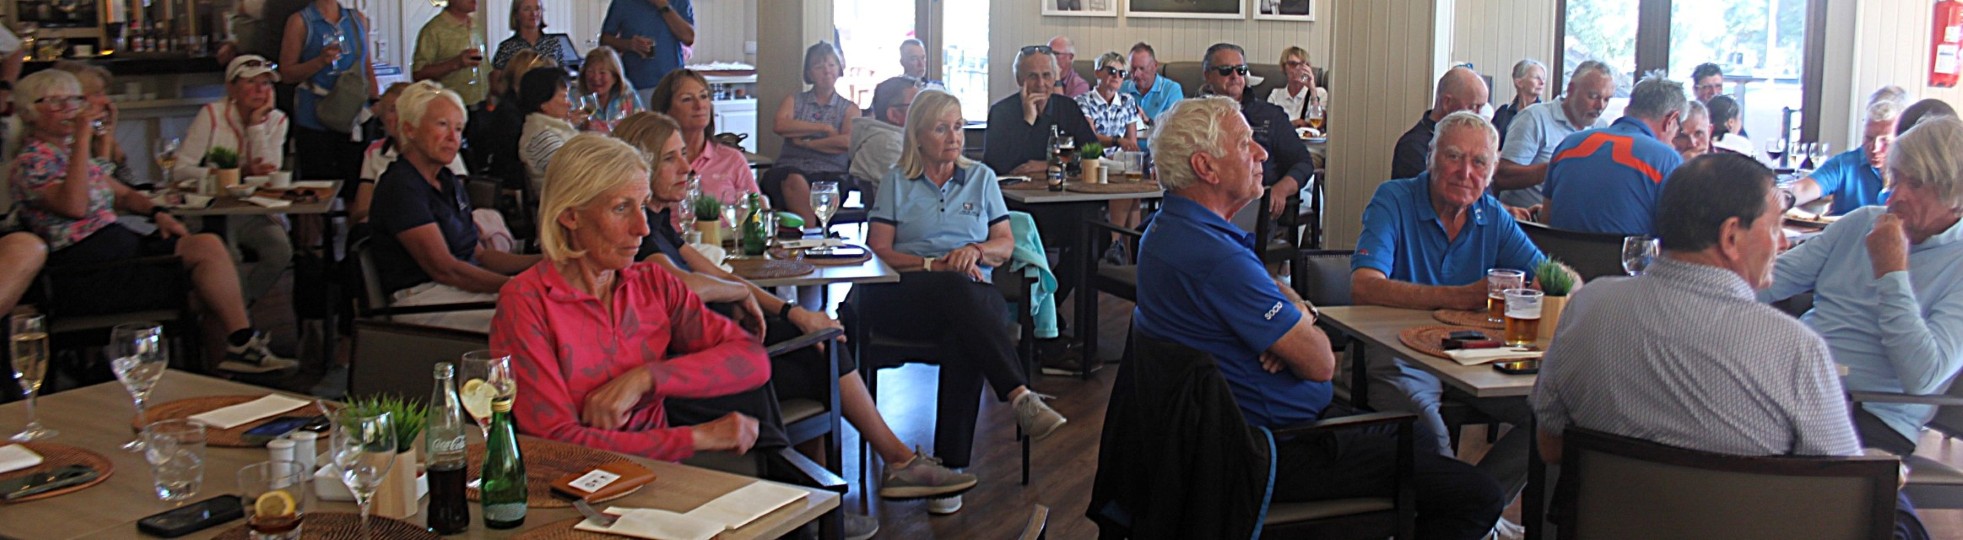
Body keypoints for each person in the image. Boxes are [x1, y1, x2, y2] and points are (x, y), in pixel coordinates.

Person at [1137, 96, 1504, 540]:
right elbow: (1320, 363)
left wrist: (1294, 318)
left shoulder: (1169, 231)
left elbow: (1271, 292)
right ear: (1206, 167)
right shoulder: (1216, 258)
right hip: (1265, 451)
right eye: (1245, 143)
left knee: (1422, 441)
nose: (1262, 153)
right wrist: (1297, 331)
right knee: (1478, 496)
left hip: (1220, 437)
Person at [1537, 153, 1931, 540]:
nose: (1782, 243)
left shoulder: (1587, 307)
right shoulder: (1794, 348)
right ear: (1731, 237)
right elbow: (1841, 492)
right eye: (1775, 228)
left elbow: (1551, 446)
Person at [615, 110, 978, 503]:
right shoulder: (640, 233)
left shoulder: (660, 223)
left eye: (684, 155)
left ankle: (836, 493)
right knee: (822, 359)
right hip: (695, 364)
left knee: (819, 338)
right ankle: (861, 480)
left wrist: (792, 311)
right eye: (671, 159)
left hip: (723, 345)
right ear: (641, 166)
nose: (687, 168)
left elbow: (722, 276)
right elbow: (680, 284)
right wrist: (741, 297)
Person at [489, 133, 764, 462]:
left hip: (660, 478)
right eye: (621, 208)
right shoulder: (527, 302)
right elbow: (554, 442)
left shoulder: (652, 284)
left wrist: (646, 378)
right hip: (573, 482)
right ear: (570, 215)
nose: (642, 228)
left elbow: (752, 359)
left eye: (643, 206)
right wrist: (696, 437)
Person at [8, 69, 294, 373]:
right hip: (86, 272)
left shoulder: (66, 154)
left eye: (73, 100)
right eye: (56, 102)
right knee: (210, 286)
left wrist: (157, 213)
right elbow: (75, 206)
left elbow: (123, 195)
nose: (69, 109)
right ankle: (225, 365)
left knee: (207, 247)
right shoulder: (32, 161)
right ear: (29, 113)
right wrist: (82, 138)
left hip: (121, 255)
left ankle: (239, 347)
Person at [863, 89, 1067, 512]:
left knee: (966, 327)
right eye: (941, 128)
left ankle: (948, 471)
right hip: (908, 294)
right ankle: (1019, 395)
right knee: (961, 291)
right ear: (918, 136)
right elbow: (878, 249)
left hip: (970, 295)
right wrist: (933, 264)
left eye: (957, 127)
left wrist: (975, 250)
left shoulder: (981, 178)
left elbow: (1004, 244)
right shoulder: (896, 181)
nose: (954, 137)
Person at [1352, 111, 1548, 538]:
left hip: (1473, 357)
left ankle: (1477, 517)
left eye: (1479, 162)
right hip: (1399, 351)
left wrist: (1561, 290)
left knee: (1549, 415)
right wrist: (1462, 296)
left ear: (1493, 171)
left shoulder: (1492, 214)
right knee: (1431, 439)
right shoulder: (1394, 199)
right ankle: (1472, 518)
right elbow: (1364, 286)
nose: (1465, 172)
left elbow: (1551, 278)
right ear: (1431, 157)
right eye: (1454, 157)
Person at [1762, 117, 1963, 459]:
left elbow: (1922, 377)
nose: (1895, 196)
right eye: (1895, 178)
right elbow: (1769, 279)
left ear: (1954, 195)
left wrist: (1891, 272)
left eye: (1915, 184)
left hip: (1872, 414)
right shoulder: (1862, 221)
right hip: (1798, 387)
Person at [369, 82, 539, 332]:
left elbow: (480, 255)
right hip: (422, 300)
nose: (453, 138)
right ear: (409, 129)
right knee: (535, 316)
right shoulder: (401, 187)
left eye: (458, 129)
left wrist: (544, 262)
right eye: (442, 125)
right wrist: (519, 287)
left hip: (459, 289)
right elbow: (446, 269)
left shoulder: (447, 181)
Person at [169, 56, 297, 306]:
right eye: (251, 82)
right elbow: (181, 171)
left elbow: (269, 173)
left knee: (280, 251)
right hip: (212, 210)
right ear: (231, 87)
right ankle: (236, 319)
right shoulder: (211, 114)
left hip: (254, 210)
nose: (260, 90)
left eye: (265, 84)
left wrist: (256, 125)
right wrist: (234, 174)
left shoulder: (277, 119)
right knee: (230, 257)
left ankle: (238, 307)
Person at [1543, 73, 1688, 236]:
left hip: (1556, 252)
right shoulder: (1667, 160)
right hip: (1626, 253)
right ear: (1671, 120)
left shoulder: (1568, 144)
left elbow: (1546, 219)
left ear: (1628, 110)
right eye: (1679, 130)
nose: (1675, 138)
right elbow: (1678, 237)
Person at [1202, 43, 1316, 220]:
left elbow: (1303, 163)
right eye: (1226, 70)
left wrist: (1281, 190)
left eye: (1241, 70)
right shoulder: (1194, 116)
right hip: (1203, 205)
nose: (1235, 76)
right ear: (1207, 75)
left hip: (1257, 207)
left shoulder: (1271, 115)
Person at [1493, 60, 1614, 212]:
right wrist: (1558, 167)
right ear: (1571, 89)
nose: (1600, 106)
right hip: (1528, 219)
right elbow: (1502, 177)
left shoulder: (1602, 127)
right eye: (1593, 96)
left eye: (1606, 99)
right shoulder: (1534, 118)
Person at [277, 0, 372, 184]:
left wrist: (376, 103)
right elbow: (286, 74)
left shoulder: (357, 19)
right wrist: (320, 62)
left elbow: (366, 66)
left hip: (353, 116)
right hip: (315, 118)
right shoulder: (300, 22)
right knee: (318, 185)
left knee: (355, 184)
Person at [763, 42, 855, 226]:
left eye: (831, 65)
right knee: (793, 179)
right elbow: (780, 125)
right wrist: (824, 129)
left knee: (807, 185)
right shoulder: (794, 100)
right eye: (819, 66)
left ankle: (807, 232)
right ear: (809, 73)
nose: (826, 71)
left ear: (839, 69)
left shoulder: (849, 108)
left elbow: (846, 142)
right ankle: (811, 232)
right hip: (789, 169)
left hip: (831, 173)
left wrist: (806, 143)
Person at [983, 44, 1096, 179]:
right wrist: (1027, 122)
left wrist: (1049, 164)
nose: (1040, 83)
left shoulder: (1068, 107)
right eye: (1032, 76)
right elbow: (994, 166)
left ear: (1054, 78)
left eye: (1046, 75)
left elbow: (1095, 153)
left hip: (1062, 187)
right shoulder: (1000, 112)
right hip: (1015, 190)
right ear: (1019, 79)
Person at [650, 68, 759, 202]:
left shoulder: (732, 159)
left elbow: (757, 208)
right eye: (687, 99)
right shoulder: (652, 160)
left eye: (704, 96)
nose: (700, 105)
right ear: (666, 109)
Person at [1790, 94, 1904, 216]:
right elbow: (1803, 189)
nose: (1874, 148)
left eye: (1885, 141)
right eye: (1869, 138)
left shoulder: (1909, 171)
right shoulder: (1844, 164)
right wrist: (1780, 198)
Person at [1391, 66, 1489, 180]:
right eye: (1473, 107)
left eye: (1481, 108)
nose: (1478, 115)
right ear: (1447, 103)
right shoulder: (1412, 148)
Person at [600, 0, 695, 105]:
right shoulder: (622, 3)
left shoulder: (680, 2)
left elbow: (688, 37)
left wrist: (663, 5)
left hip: (673, 85)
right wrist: (630, 44)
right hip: (635, 86)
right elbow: (604, 41)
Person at [849, 77, 919, 198]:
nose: (924, 110)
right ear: (893, 115)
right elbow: (914, 193)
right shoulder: (887, 143)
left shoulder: (899, 138)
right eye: (916, 105)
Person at [517, 68, 582, 194]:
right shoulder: (541, 137)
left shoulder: (553, 127)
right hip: (566, 201)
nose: (570, 104)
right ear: (543, 103)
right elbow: (575, 175)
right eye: (564, 97)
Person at [412, 0, 487, 106]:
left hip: (481, 104)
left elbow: (485, 67)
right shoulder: (434, 30)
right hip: (449, 107)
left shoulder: (475, 27)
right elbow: (418, 74)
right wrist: (456, 63)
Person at [490, 0, 571, 90]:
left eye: (537, 9)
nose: (533, 14)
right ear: (516, 14)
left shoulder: (553, 44)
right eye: (527, 9)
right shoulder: (507, 47)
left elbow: (563, 77)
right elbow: (496, 85)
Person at [1075, 51, 1142, 153]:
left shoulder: (1127, 101)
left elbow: (1132, 144)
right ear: (1097, 73)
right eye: (1112, 71)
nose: (1116, 76)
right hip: (1093, 159)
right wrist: (1117, 141)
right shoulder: (1083, 101)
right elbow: (1090, 139)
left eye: (1122, 73)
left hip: (1120, 160)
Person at [869, 39, 940, 118]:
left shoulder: (937, 88)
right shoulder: (890, 89)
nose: (921, 64)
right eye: (914, 58)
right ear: (902, 62)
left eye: (923, 58)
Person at [579, 47, 644, 128]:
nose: (596, 78)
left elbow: (643, 128)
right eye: (590, 71)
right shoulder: (574, 98)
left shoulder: (628, 97)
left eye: (602, 72)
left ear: (615, 77)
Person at [1121, 42, 1184, 125]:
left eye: (1142, 68)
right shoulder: (1121, 88)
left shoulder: (1172, 90)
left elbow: (1175, 126)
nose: (1136, 74)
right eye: (1133, 68)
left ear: (1155, 66)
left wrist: (1148, 121)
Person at [1266, 46, 1328, 129]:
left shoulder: (1320, 93)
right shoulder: (1276, 94)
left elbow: (1318, 124)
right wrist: (1294, 123)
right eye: (1292, 64)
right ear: (1284, 68)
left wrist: (1312, 89)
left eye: (1302, 64)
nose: (1298, 68)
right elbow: (1267, 124)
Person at [1491, 59, 1545, 148]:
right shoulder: (1503, 112)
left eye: (1543, 78)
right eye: (1536, 78)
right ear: (1519, 82)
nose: (1542, 83)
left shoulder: (1545, 114)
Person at [1706, 95, 1760, 162]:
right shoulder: (1742, 146)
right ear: (1731, 122)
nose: (1740, 124)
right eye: (1739, 119)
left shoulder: (1703, 145)